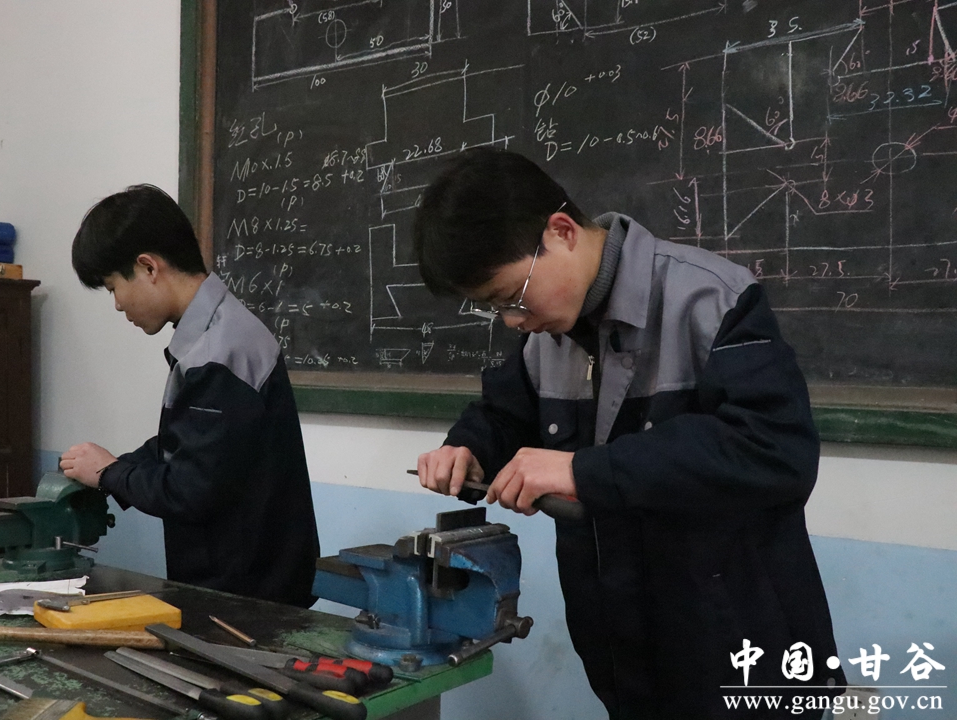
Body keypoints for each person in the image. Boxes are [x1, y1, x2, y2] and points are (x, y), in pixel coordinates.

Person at [413, 149, 845, 718]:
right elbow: (504, 415)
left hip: (744, 649)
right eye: (495, 310)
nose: (514, 321)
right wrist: (466, 447)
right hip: (628, 655)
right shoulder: (548, 336)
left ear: (561, 232)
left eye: (511, 298)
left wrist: (583, 471)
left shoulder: (712, 299)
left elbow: (774, 452)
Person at [60, 184, 319, 608]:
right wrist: (115, 468)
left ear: (148, 267)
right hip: (243, 581)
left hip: (250, 599)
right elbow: (190, 446)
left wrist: (109, 473)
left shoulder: (219, 352)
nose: (118, 305)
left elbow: (190, 489)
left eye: (112, 287)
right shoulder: (213, 336)